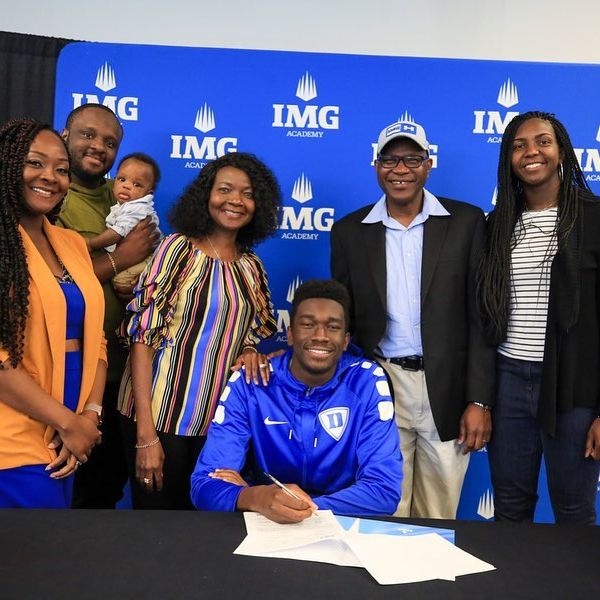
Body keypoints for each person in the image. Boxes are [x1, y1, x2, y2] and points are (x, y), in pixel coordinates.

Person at [330, 119, 496, 519]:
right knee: (385, 506)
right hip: (381, 385)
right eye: (389, 159)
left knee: (439, 513)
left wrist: (479, 399)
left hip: (449, 389)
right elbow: (343, 319)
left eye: (411, 159)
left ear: (428, 164)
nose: (400, 169)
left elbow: (482, 317)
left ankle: (431, 584)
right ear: (376, 165)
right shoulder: (349, 231)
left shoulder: (468, 223)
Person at [118, 152, 280, 510]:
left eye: (247, 193)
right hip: (160, 417)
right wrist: (146, 435)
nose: (235, 200)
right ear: (206, 195)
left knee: (206, 531)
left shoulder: (252, 267)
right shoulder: (178, 249)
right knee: (158, 532)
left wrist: (250, 352)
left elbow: (250, 336)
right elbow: (142, 338)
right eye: (225, 189)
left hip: (217, 428)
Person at [191, 279, 402, 523]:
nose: (320, 336)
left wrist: (288, 503)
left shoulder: (366, 381)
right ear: (290, 334)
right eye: (308, 325)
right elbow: (204, 486)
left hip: (338, 525)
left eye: (332, 327)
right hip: (266, 525)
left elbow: (384, 491)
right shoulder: (250, 382)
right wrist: (256, 498)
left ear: (346, 341)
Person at [477, 111, 600, 524]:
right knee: (510, 508)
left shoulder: (594, 218)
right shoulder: (496, 225)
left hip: (574, 389)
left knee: (573, 509)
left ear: (561, 150)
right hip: (509, 380)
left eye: (542, 142)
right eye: (518, 145)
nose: (531, 152)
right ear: (508, 158)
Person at [0, 118, 105, 508]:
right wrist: (65, 420)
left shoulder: (72, 243)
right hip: (13, 439)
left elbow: (97, 339)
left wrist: (88, 417)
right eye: (35, 163)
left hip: (70, 436)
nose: (51, 177)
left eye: (62, 169)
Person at [58, 103, 158, 508]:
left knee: (106, 490)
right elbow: (52, 279)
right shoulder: (53, 197)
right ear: (66, 136)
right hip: (69, 372)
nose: (98, 146)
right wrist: (121, 257)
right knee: (67, 488)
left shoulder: (125, 196)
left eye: (110, 142)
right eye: (88, 135)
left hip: (121, 374)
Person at [86, 152, 163, 288]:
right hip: (137, 257)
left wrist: (92, 244)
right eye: (121, 179)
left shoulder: (138, 208)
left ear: (148, 194)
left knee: (120, 282)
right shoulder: (123, 205)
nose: (126, 186)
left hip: (150, 258)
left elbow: (117, 232)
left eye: (136, 184)